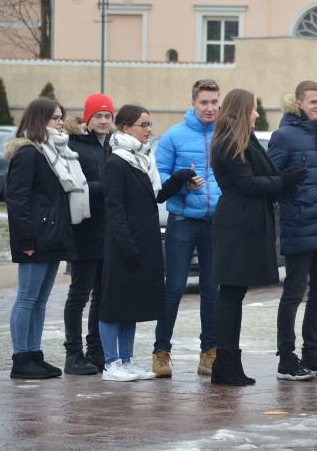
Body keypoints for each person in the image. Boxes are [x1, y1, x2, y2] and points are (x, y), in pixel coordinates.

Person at [209, 89, 306, 386]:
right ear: (241, 111)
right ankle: (223, 364)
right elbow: (248, 183)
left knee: (235, 293)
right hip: (237, 222)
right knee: (230, 293)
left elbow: (263, 176)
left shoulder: (245, 140)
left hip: (247, 220)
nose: (256, 114)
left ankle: (230, 363)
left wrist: (283, 181)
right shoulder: (229, 142)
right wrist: (283, 180)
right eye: (252, 109)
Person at [100, 105, 196, 382]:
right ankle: (110, 363)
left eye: (149, 124)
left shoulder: (141, 159)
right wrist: (127, 246)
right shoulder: (118, 161)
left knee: (129, 304)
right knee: (113, 303)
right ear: (126, 127)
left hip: (144, 240)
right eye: (143, 125)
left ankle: (127, 360)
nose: (149, 130)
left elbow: (157, 196)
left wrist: (178, 178)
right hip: (123, 243)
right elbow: (114, 209)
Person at [269, 81, 317, 381]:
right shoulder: (283, 136)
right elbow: (271, 182)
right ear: (298, 103)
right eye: (313, 101)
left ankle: (312, 354)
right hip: (299, 226)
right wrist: (285, 184)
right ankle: (286, 358)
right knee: (293, 294)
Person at [5, 98, 80, 379]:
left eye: (61, 118)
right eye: (55, 119)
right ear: (40, 120)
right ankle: (21, 358)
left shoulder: (52, 153)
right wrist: (25, 241)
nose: (61, 123)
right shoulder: (28, 153)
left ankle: (34, 354)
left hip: (51, 237)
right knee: (26, 298)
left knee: (40, 300)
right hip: (34, 239)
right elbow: (17, 200)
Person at [153, 79, 222, 378]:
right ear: (193, 103)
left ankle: (209, 353)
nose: (210, 108)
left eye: (214, 102)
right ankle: (161, 352)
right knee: (174, 288)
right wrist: (183, 184)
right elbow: (159, 176)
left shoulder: (225, 134)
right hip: (182, 221)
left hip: (216, 222)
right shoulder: (174, 136)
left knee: (212, 290)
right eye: (204, 102)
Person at [62, 94, 116, 375]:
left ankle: (96, 350)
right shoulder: (75, 147)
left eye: (108, 116)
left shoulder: (112, 147)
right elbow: (73, 186)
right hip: (84, 231)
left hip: (109, 233)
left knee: (102, 295)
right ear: (87, 118)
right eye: (98, 116)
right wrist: (103, 187)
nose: (104, 121)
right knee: (79, 294)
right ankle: (73, 354)